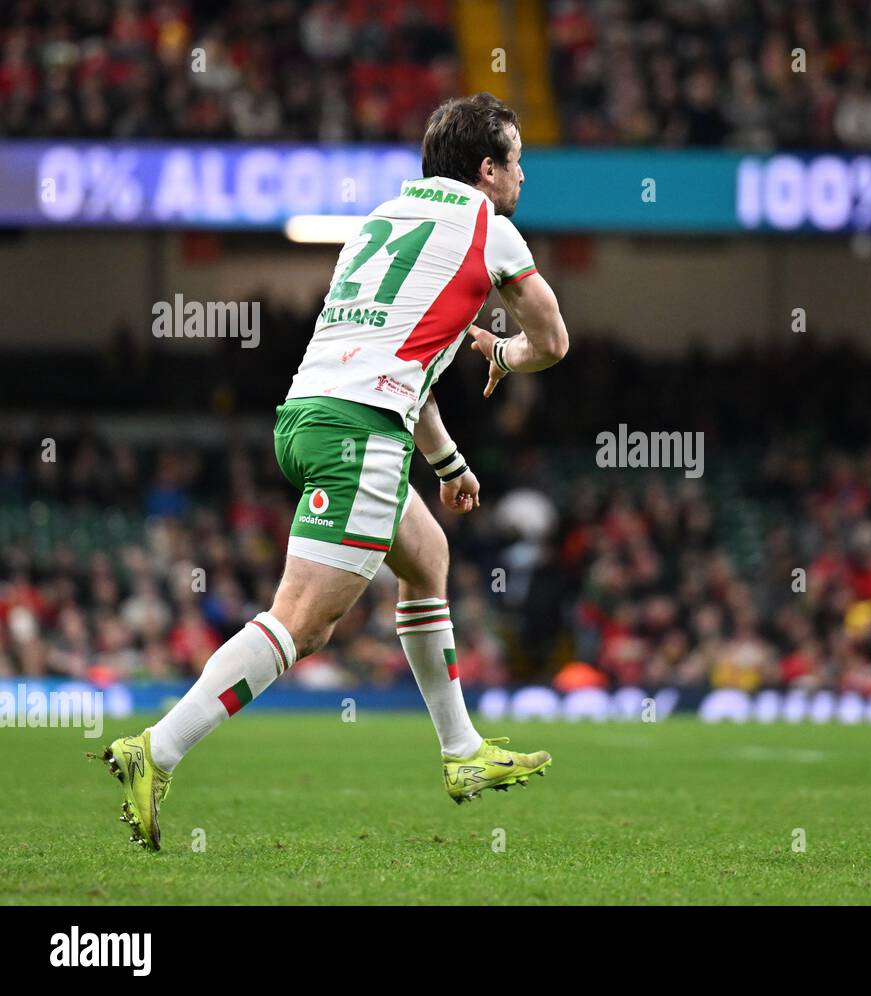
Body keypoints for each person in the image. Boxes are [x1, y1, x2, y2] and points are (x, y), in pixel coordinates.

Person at [92, 92, 570, 850]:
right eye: (516, 161)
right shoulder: (491, 228)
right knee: (303, 624)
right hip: (360, 433)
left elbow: (399, 369)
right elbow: (553, 339)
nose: (522, 177)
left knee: (428, 557)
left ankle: (462, 753)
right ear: (488, 169)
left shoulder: (379, 222)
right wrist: (504, 354)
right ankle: (157, 749)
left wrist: (448, 464)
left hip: (309, 415)